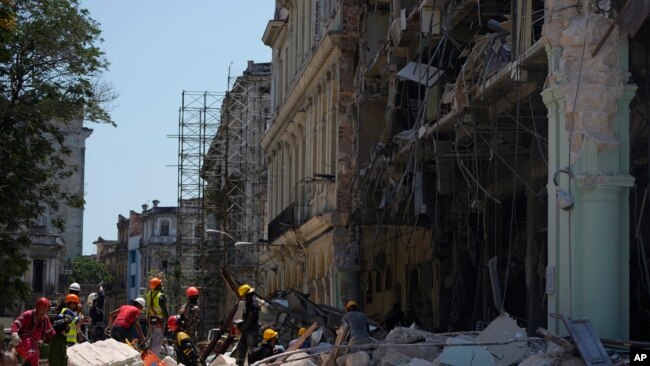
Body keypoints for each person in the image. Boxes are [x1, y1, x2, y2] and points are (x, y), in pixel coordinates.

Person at [10, 298, 55, 366]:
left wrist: (59, 339)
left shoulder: (45, 319)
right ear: (37, 307)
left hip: (34, 344)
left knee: (35, 360)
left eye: (45, 310)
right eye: (42, 309)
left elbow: (51, 332)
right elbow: (16, 323)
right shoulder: (28, 314)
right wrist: (14, 333)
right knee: (33, 351)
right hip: (23, 341)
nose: (44, 311)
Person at [233, 284, 260, 366]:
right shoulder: (247, 304)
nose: (242, 297)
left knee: (252, 350)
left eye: (243, 295)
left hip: (252, 331)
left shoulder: (253, 304)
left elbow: (250, 318)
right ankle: (239, 364)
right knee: (241, 347)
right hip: (247, 330)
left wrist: (243, 328)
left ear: (247, 295)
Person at [145, 276, 168, 357]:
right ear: (158, 286)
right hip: (159, 320)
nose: (161, 285)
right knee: (157, 341)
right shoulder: (161, 295)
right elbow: (164, 310)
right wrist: (168, 320)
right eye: (160, 284)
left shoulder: (149, 294)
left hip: (151, 320)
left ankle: (149, 356)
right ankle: (154, 360)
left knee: (153, 339)